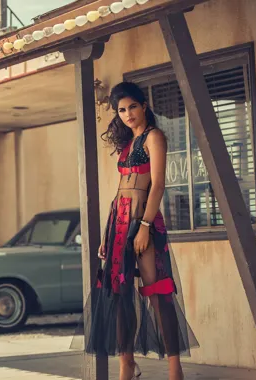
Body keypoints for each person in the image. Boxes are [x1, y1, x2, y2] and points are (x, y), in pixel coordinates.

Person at [77, 82, 198, 380]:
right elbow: (121, 189)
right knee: (118, 294)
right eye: (121, 110)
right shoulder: (127, 144)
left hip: (143, 222)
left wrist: (144, 226)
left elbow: (157, 185)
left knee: (157, 293)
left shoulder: (153, 137)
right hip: (118, 222)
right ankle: (126, 365)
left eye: (132, 106)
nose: (127, 114)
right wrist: (108, 236)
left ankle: (175, 370)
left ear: (144, 105)